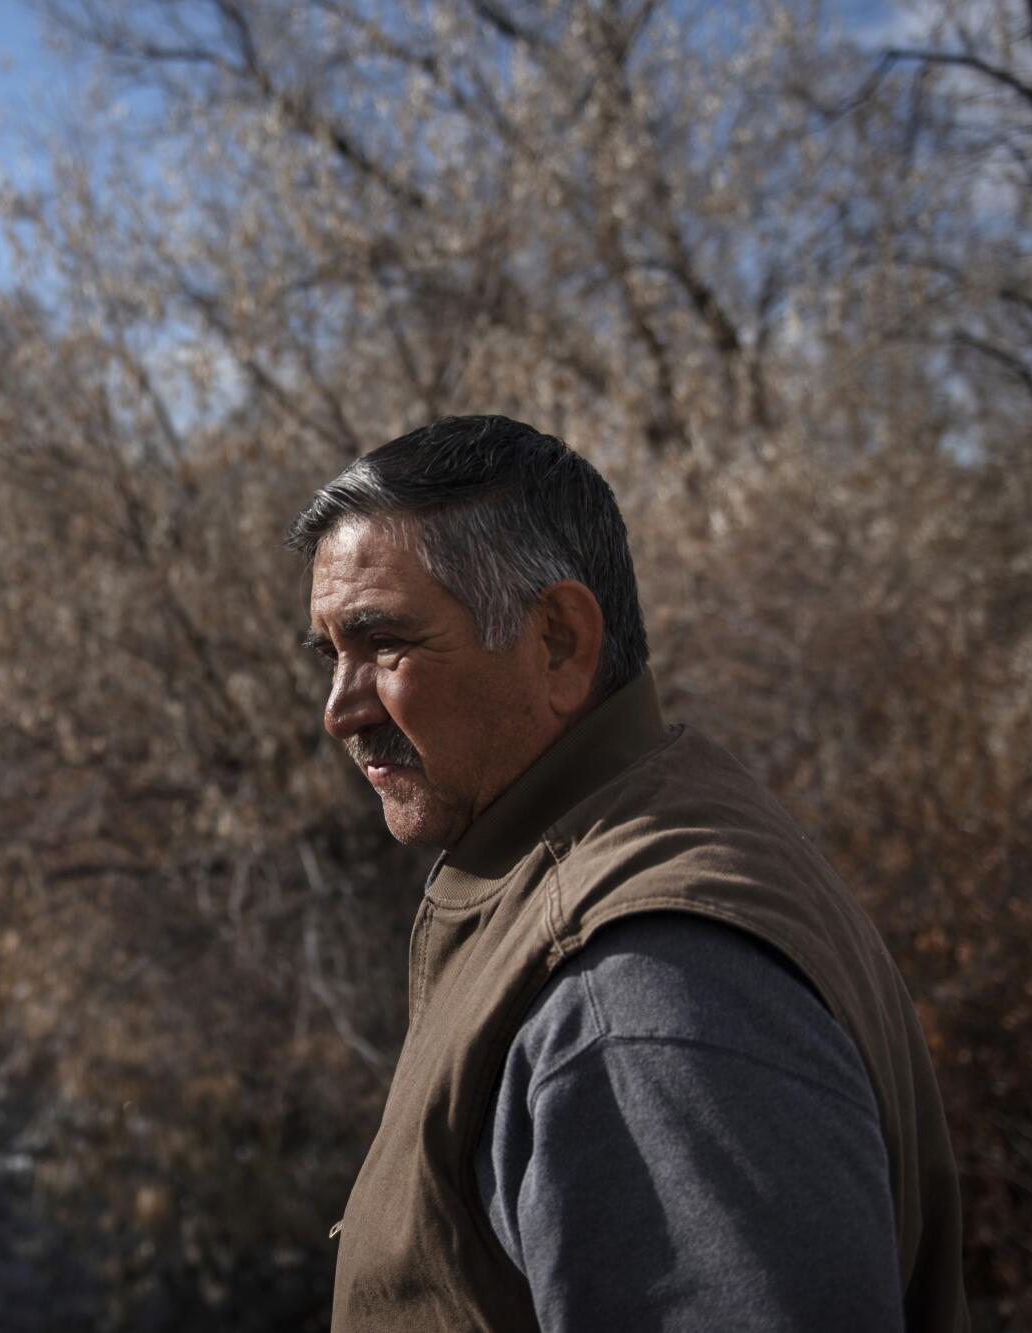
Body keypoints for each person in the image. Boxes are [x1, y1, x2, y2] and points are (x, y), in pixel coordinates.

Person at [288, 416, 967, 1332]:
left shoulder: (634, 993)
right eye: (330, 654)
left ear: (559, 641)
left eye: (384, 643)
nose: (341, 708)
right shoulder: (654, 820)